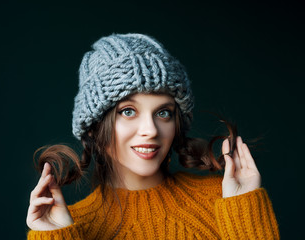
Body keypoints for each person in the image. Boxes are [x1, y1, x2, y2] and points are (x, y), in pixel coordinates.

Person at [26, 33, 279, 239]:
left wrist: (246, 214)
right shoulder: (69, 227)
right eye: (128, 111)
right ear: (94, 126)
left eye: (164, 113)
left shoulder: (224, 200)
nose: (151, 129)